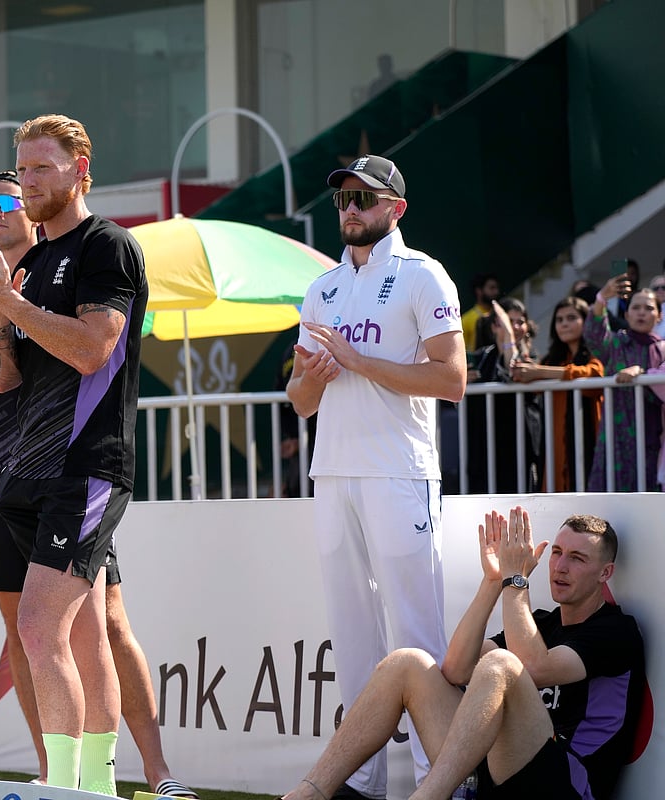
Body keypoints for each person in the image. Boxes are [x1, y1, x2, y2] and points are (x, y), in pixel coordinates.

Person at [0, 170, 196, 797]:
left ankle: (138, 776)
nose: (4, 207)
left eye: (19, 191)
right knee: (41, 633)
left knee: (87, 627)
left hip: (81, 467)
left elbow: (92, 351)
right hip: (5, 477)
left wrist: (5, 301)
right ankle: (65, 777)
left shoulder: (94, 248)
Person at [285, 154, 466, 799]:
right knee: (353, 638)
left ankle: (436, 781)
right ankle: (362, 784)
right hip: (332, 472)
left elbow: (452, 379)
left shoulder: (424, 276)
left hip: (398, 472)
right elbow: (300, 401)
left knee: (417, 636)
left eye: (365, 197)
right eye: (343, 199)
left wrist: (358, 361)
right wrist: (312, 377)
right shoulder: (323, 286)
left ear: (396, 208)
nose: (351, 208)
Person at [282, 507, 645, 800]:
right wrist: (492, 581)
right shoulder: (539, 623)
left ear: (605, 573)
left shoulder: (617, 630)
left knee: (502, 663)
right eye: (557, 553)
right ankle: (310, 791)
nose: (561, 566)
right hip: (502, 772)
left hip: (568, 784)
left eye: (578, 558)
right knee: (407, 663)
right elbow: (456, 669)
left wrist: (516, 581)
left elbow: (534, 666)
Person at [511, 296, 604, 492]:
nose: (564, 324)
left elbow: (594, 374)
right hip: (557, 443)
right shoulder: (553, 358)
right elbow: (523, 379)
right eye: (559, 320)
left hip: (590, 439)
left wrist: (540, 372)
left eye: (571, 318)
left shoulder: (596, 350)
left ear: (585, 321)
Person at [585, 277, 664, 492]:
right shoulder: (616, 343)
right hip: (615, 434)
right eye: (635, 307)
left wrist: (641, 373)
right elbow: (593, 336)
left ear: (659, 316)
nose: (641, 312)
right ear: (626, 314)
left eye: (648, 308)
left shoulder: (662, 349)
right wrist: (602, 297)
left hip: (652, 434)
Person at [465, 298, 543, 494]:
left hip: (520, 445)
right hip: (485, 445)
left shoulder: (529, 356)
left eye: (520, 321)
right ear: (493, 326)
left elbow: (512, 372)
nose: (515, 327)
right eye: (509, 321)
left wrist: (508, 337)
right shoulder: (482, 357)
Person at [461, 273, 499, 353]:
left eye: (496, 288)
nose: (496, 292)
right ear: (479, 291)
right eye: (491, 288)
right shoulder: (466, 319)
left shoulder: (501, 316)